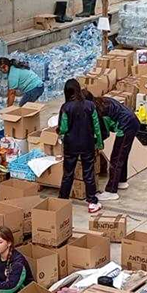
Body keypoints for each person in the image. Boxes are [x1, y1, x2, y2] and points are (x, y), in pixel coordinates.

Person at [57, 79, 103, 214]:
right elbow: (96, 127)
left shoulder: (65, 107)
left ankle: (62, 200)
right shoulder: (90, 105)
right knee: (88, 173)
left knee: (68, 173)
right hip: (87, 143)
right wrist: (99, 143)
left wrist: (59, 131)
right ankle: (92, 202)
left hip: (71, 145)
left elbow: (63, 128)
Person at [91, 92, 140, 201]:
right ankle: (121, 181)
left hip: (126, 126)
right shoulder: (102, 101)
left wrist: (98, 145)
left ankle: (111, 191)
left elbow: (103, 133)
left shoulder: (99, 112)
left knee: (116, 158)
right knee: (123, 155)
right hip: (132, 121)